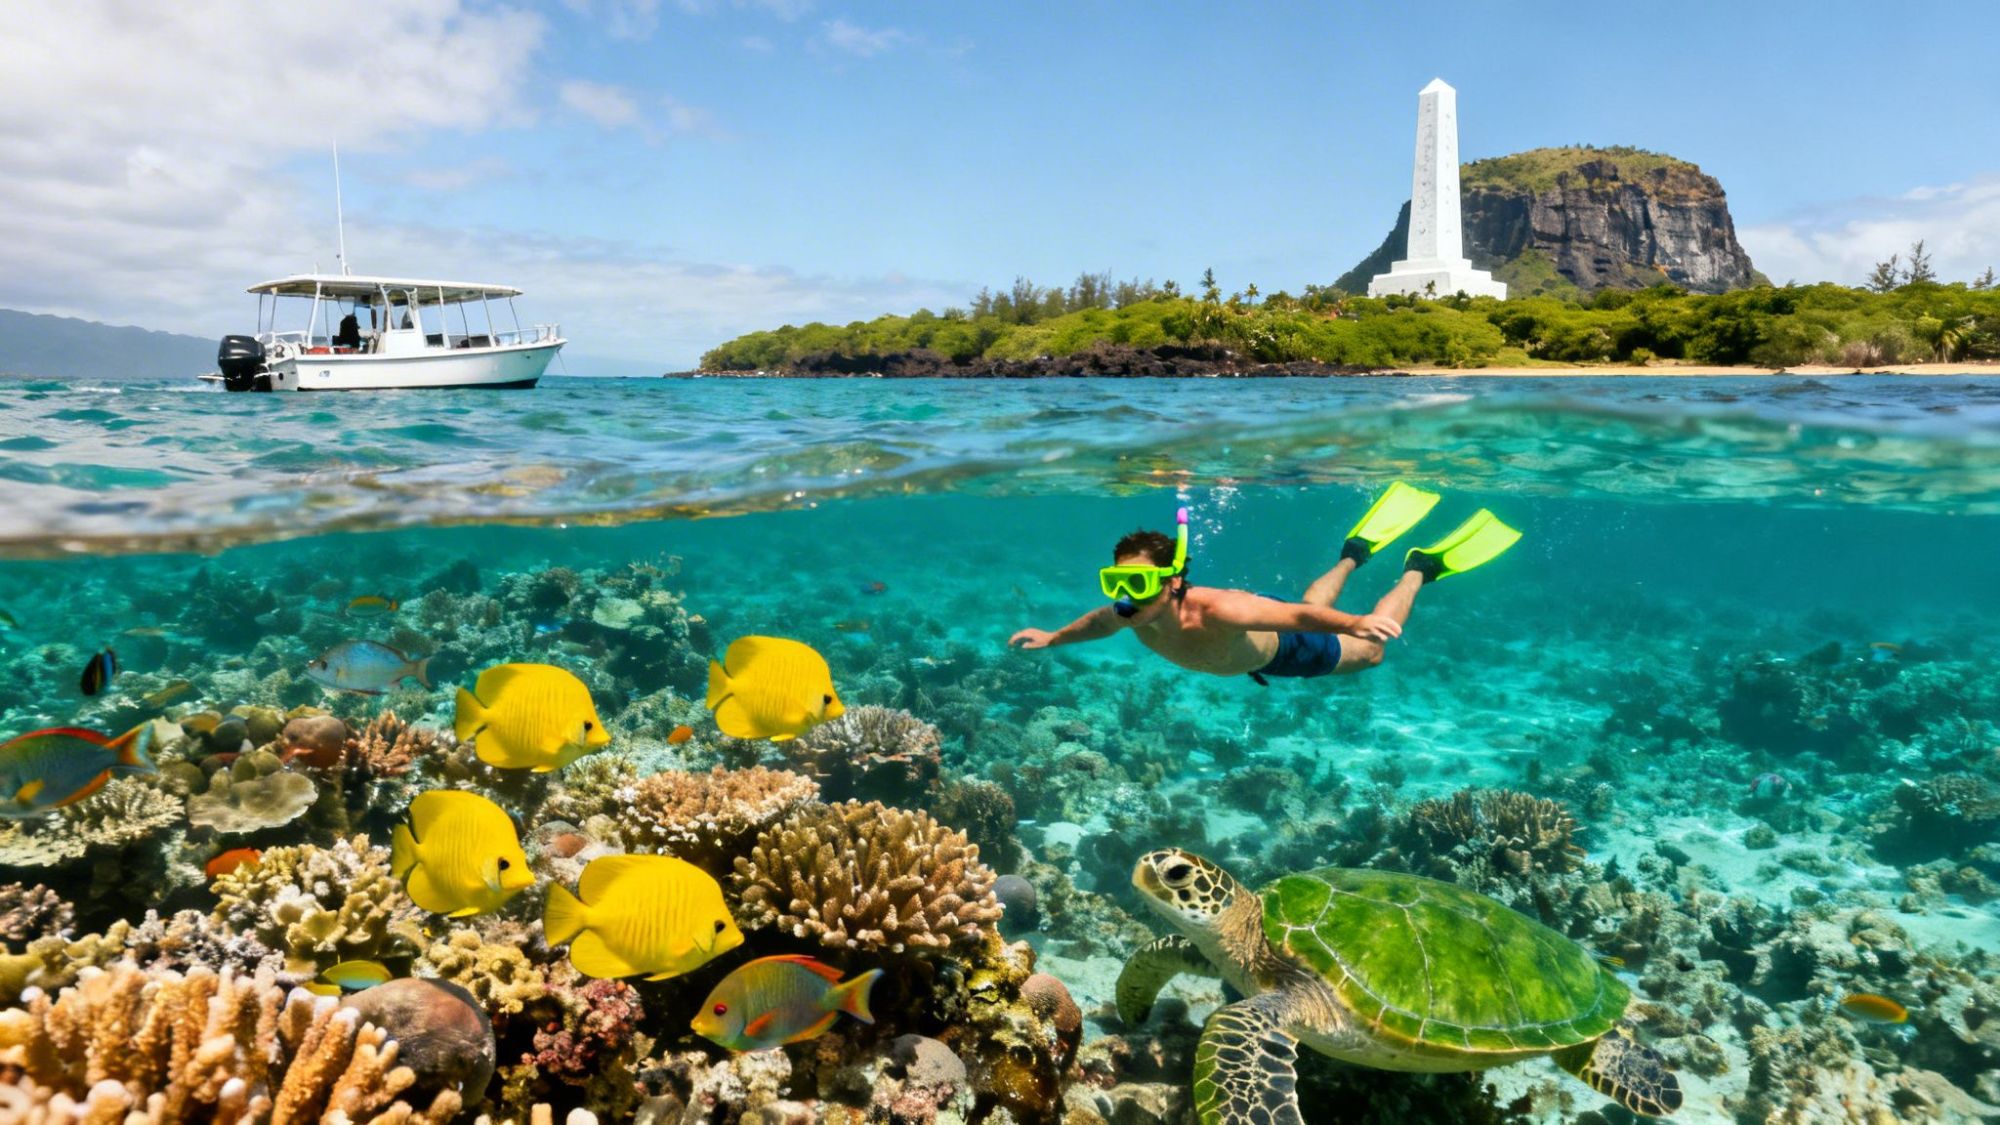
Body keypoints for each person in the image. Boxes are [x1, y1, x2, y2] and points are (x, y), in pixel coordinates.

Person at [1007, 483, 1520, 683]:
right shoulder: (1127, 613)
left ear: (1172, 580)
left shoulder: (1219, 609)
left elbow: (1299, 619)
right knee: (1305, 602)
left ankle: (1419, 567)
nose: (1125, 594)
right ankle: (1354, 555)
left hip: (1283, 649)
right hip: (1265, 632)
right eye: (1117, 580)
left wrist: (1359, 623)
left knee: (1373, 653)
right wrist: (1053, 637)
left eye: (1138, 581)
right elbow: (1097, 624)